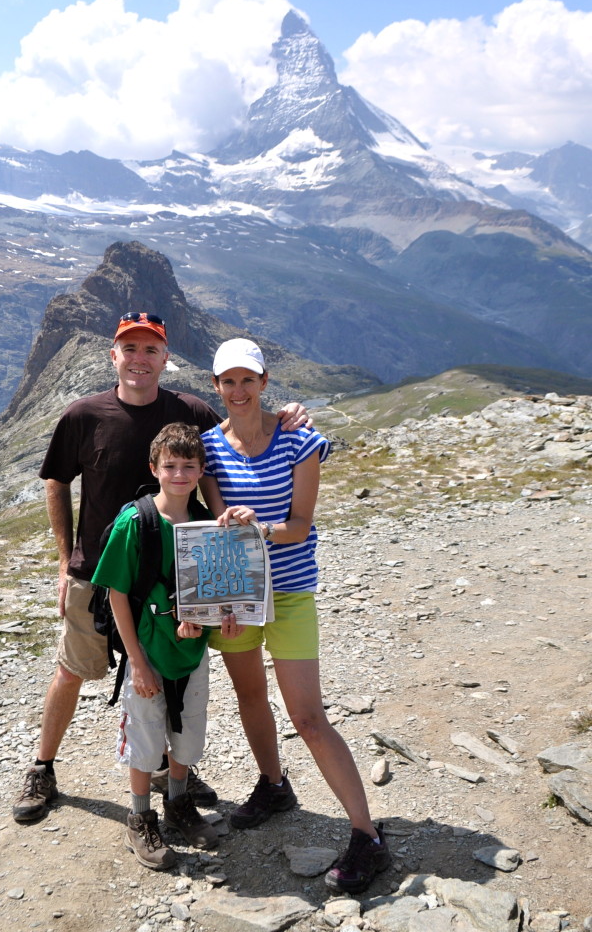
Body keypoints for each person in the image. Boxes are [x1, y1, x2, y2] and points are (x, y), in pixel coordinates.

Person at [12, 312, 309, 823]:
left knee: (171, 668)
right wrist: (65, 561)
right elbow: (56, 481)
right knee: (74, 668)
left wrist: (287, 416)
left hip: (173, 576)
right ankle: (42, 766)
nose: (140, 359)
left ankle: (174, 772)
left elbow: (240, 425)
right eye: (130, 349)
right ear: (114, 356)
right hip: (97, 569)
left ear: (166, 359)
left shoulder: (191, 409)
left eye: (151, 350)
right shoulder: (83, 415)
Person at [199, 337, 392, 896]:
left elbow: (301, 525)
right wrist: (224, 599)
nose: (238, 391)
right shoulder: (209, 448)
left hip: (289, 593)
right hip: (238, 592)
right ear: (216, 387)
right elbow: (218, 528)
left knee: (308, 718)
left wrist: (254, 528)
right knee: (250, 696)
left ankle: (366, 834)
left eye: (247, 380)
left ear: (264, 383)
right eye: (227, 382)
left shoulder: (300, 439)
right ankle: (273, 784)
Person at [91, 422, 241, 868]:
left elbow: (214, 591)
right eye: (170, 465)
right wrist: (135, 661)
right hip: (147, 655)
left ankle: (178, 804)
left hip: (190, 653)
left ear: (200, 472)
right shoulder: (134, 521)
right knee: (145, 736)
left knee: (188, 731)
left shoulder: (206, 525)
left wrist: (217, 626)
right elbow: (117, 592)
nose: (179, 474)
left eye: (188, 466)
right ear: (153, 467)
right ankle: (140, 819)